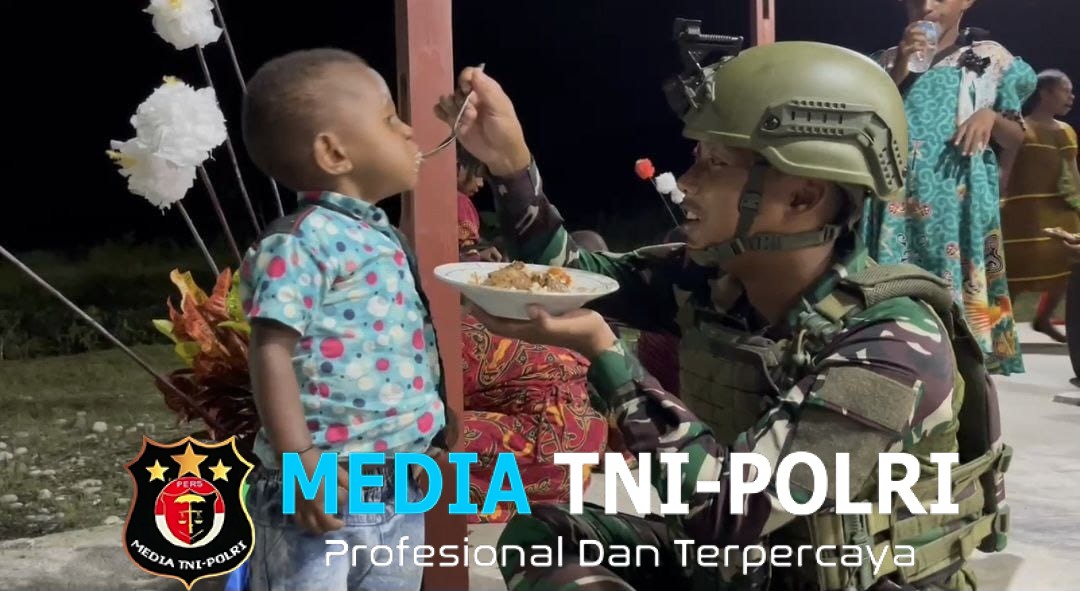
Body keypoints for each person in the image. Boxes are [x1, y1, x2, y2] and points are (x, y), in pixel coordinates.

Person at [437, 32, 1011, 591]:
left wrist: (605, 355)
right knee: (543, 537)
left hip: (823, 571)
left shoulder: (892, 345)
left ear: (802, 197)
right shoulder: (717, 281)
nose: (686, 183)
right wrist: (510, 164)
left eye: (714, 163)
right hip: (752, 566)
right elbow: (566, 273)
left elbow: (732, 513)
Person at [236, 48, 451, 591]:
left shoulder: (378, 235)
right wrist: (300, 461)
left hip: (398, 484)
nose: (408, 130)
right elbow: (270, 349)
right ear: (334, 152)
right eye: (390, 119)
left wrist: (428, 427)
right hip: (323, 487)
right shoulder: (300, 240)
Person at [861, 0, 1037, 375]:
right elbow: (866, 122)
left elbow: (1018, 137)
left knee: (956, 301)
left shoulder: (989, 58)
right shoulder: (882, 63)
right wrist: (899, 69)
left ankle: (965, 375)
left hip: (958, 206)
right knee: (892, 288)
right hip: (894, 201)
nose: (926, 6)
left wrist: (990, 116)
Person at [456, 157, 609, 523]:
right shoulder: (534, 315)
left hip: (548, 454)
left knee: (407, 447)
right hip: (576, 457)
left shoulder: (470, 328)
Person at [1001, 70, 1079, 343]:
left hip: (1059, 211)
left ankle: (1043, 319)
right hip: (1023, 212)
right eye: (1065, 90)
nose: (1071, 96)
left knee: (1066, 264)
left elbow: (1073, 172)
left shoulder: (1067, 131)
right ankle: (1001, 328)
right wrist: (997, 198)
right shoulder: (1021, 127)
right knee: (1017, 270)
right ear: (1045, 93)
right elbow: (1006, 168)